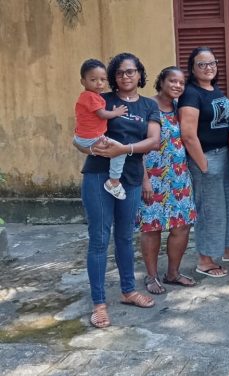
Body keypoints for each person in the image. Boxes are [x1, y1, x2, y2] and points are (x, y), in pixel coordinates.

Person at [74, 52, 161, 328]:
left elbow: (154, 141)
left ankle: (128, 290)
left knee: (124, 237)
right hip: (98, 175)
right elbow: (79, 136)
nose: (126, 76)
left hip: (131, 178)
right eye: (121, 72)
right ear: (114, 76)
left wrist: (125, 149)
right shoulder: (102, 99)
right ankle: (99, 303)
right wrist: (90, 147)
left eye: (131, 71)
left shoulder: (149, 105)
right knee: (99, 238)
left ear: (139, 74)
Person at [179, 47, 229, 278]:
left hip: (225, 155)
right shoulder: (191, 94)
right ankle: (205, 259)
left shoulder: (214, 89)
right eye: (202, 64)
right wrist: (203, 164)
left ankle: (228, 248)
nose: (208, 68)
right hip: (206, 157)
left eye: (212, 63)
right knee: (210, 209)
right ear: (192, 68)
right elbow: (187, 134)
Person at [137, 66, 197, 294]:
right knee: (152, 228)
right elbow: (138, 146)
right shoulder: (145, 107)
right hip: (152, 178)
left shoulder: (179, 108)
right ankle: (151, 277)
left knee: (181, 227)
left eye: (181, 83)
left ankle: (173, 273)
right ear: (161, 81)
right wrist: (144, 180)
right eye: (172, 81)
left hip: (179, 177)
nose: (177, 86)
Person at [73, 58, 129, 199]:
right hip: (92, 138)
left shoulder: (90, 96)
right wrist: (116, 113)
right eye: (93, 80)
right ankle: (113, 182)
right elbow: (102, 114)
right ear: (83, 82)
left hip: (83, 136)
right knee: (120, 151)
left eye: (103, 80)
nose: (99, 83)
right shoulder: (91, 97)